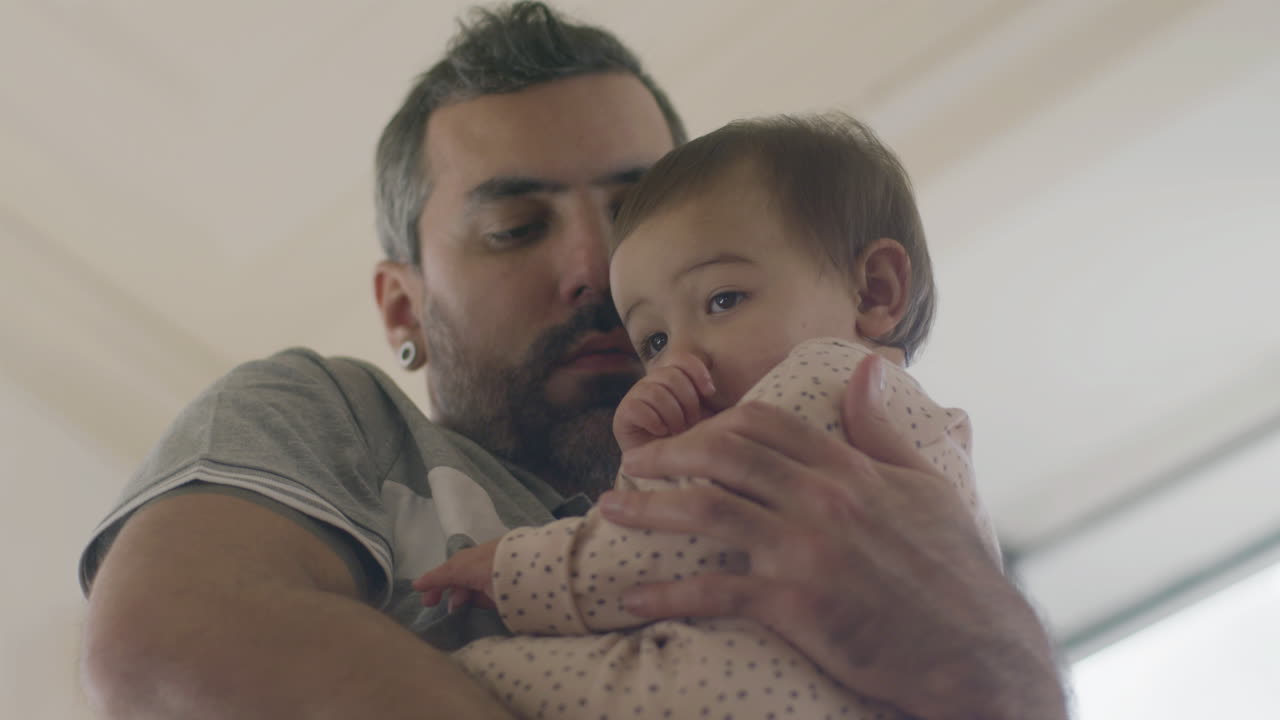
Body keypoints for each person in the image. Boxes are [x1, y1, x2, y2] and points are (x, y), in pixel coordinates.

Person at [77, 4, 1067, 719]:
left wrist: (1003, 672)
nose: (595, 271)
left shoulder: (864, 456)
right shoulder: (328, 417)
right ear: (401, 306)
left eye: (634, 216)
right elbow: (169, 648)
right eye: (514, 227)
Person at [412, 113, 1005, 720]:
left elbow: (683, 542)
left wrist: (519, 570)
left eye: (723, 300)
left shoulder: (835, 381)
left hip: (768, 688)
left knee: (454, 673)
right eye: (655, 342)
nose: (684, 357)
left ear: (874, 291)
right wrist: (647, 464)